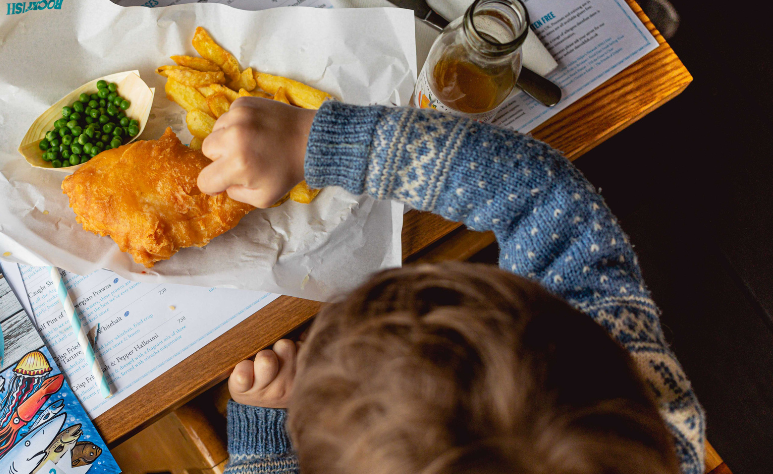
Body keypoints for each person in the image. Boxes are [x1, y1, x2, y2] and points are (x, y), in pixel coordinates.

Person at [196, 98, 705, 474]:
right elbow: (541, 198)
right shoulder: (638, 406)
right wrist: (313, 140)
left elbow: (539, 198)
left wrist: (265, 440)